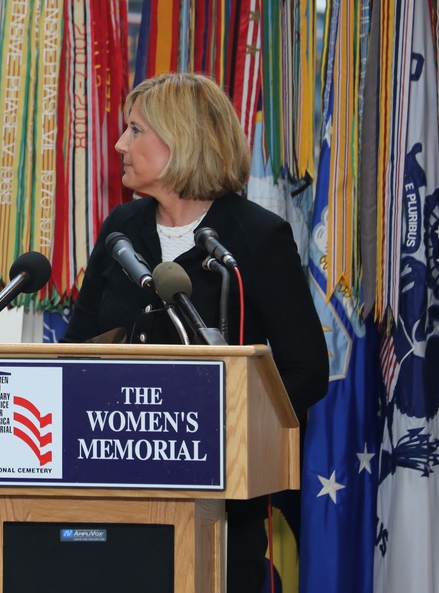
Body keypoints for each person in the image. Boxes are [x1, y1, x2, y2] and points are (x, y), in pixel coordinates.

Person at [61, 72, 329, 592]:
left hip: (221, 503)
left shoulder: (256, 238)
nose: (120, 144)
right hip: (114, 490)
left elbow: (306, 371)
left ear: (181, 138)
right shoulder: (120, 229)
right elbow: (76, 353)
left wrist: (223, 433)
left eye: (135, 130)